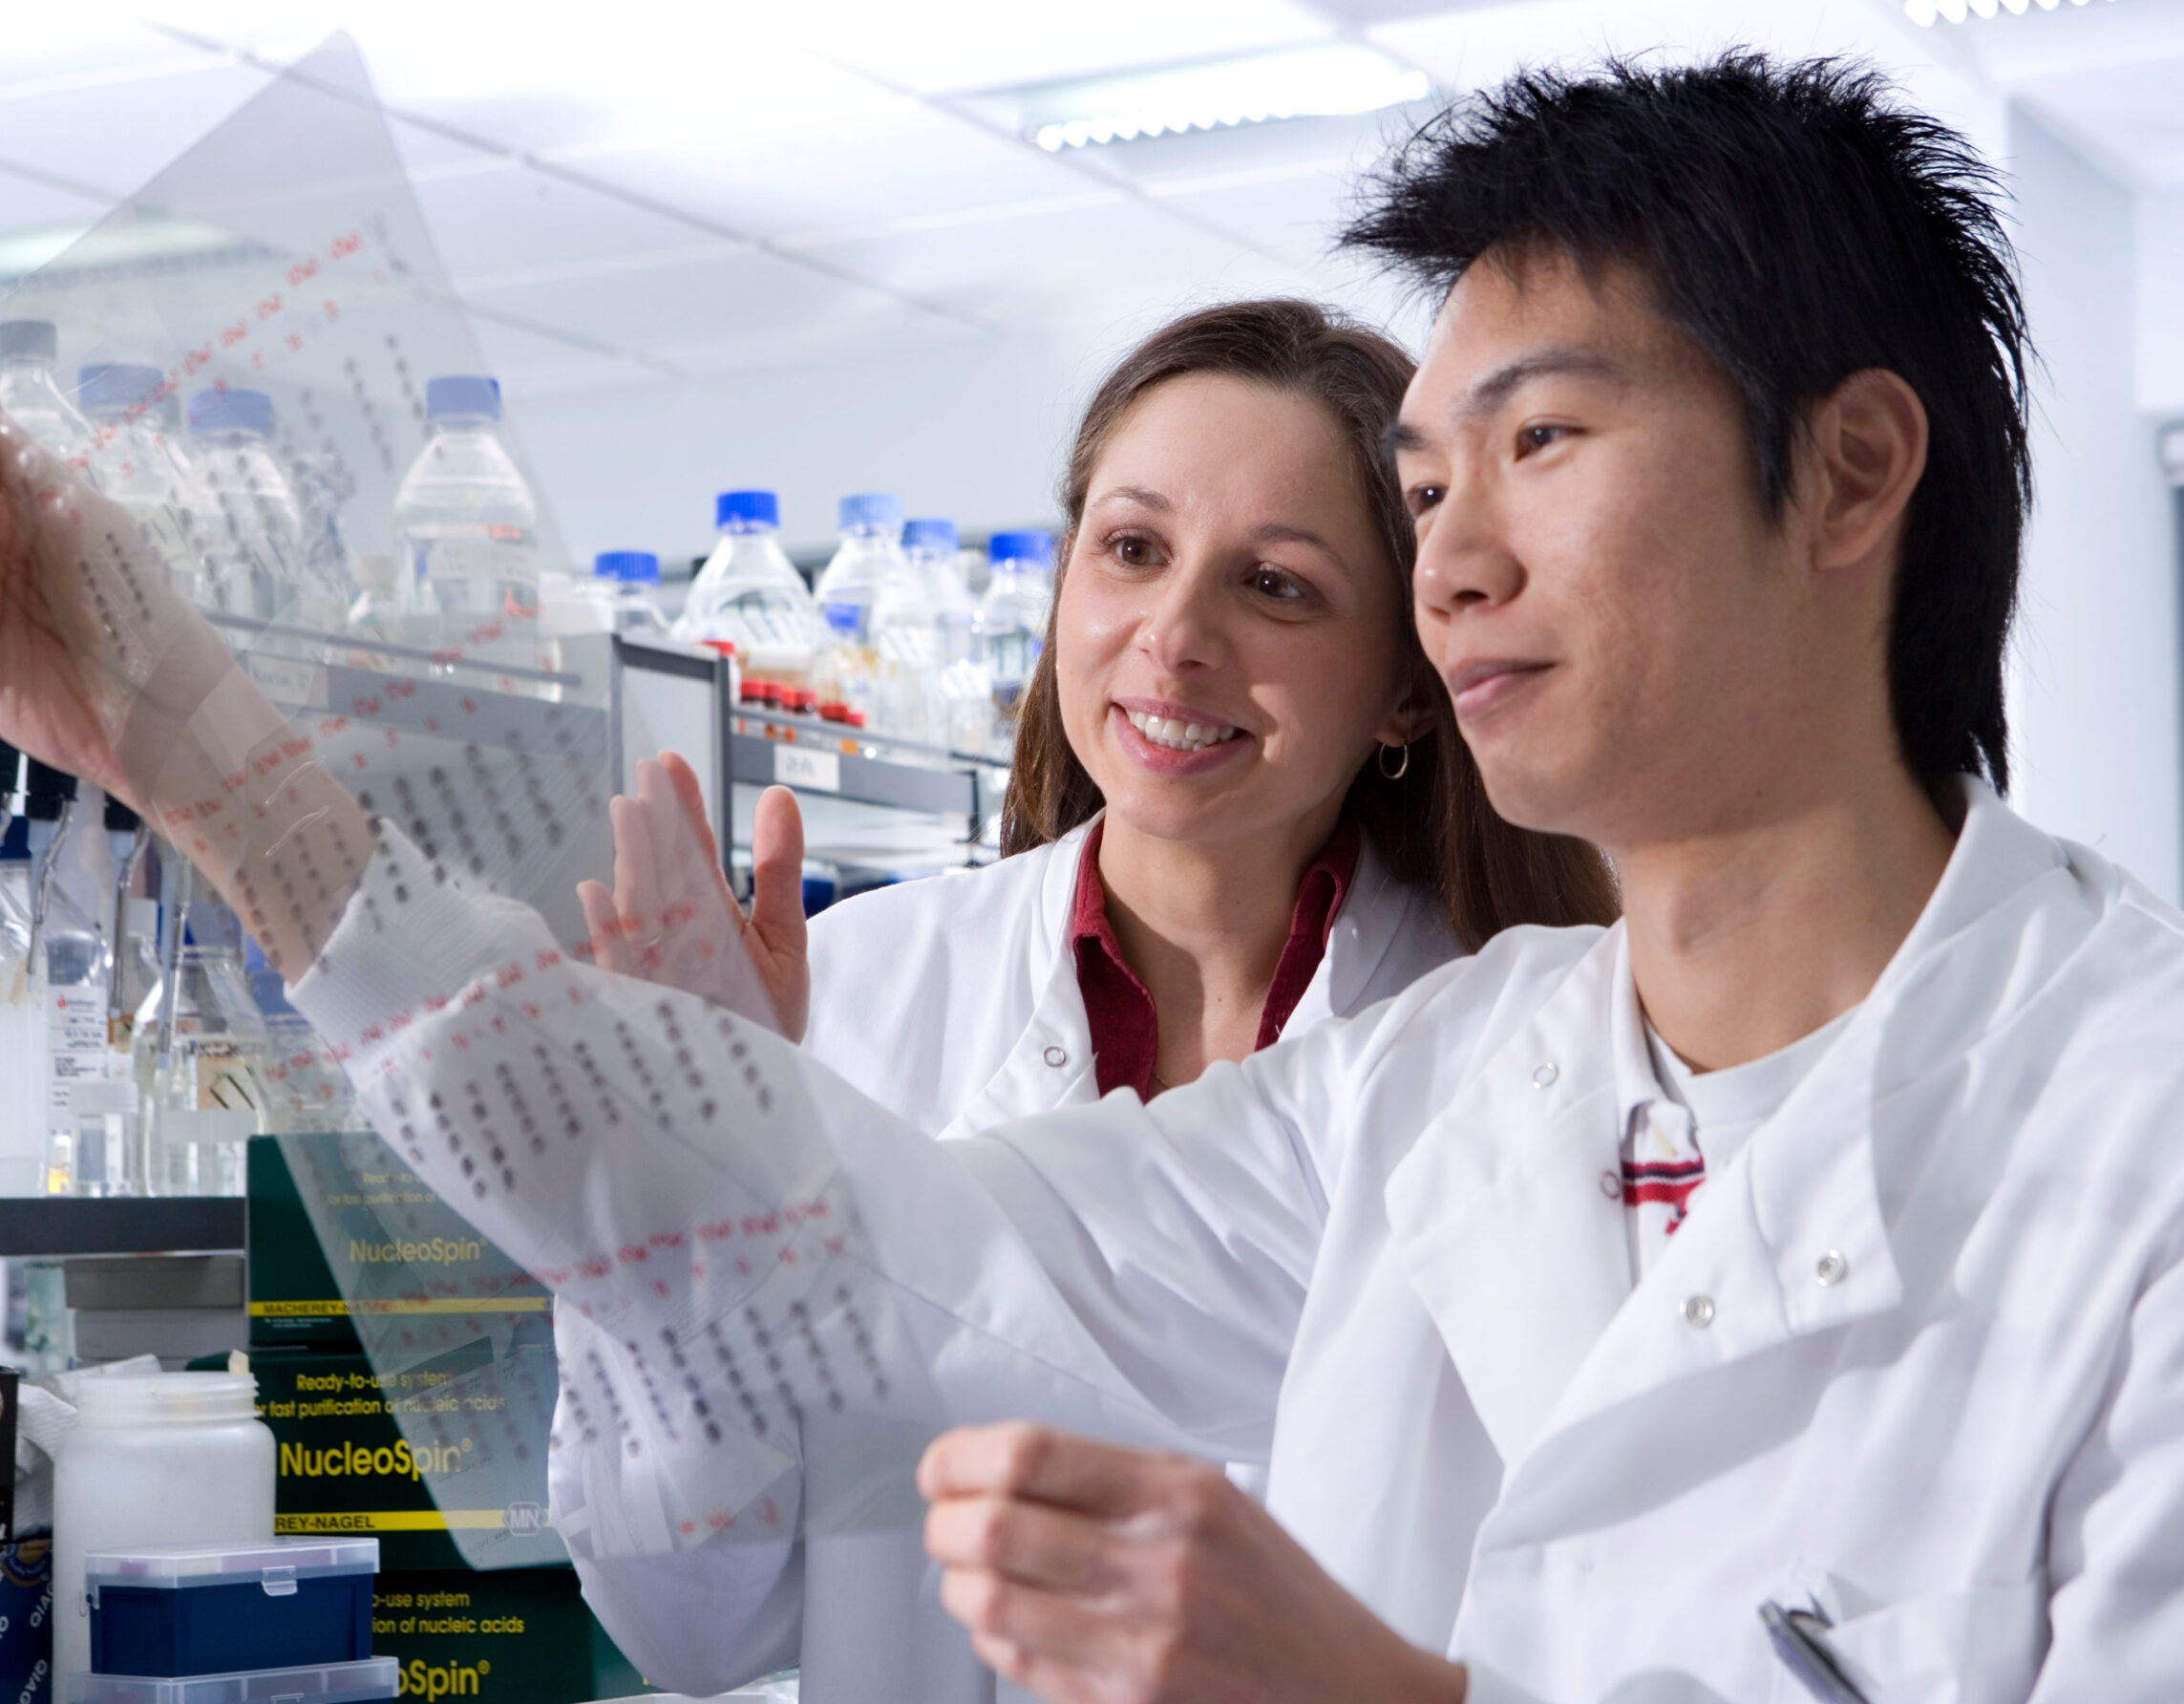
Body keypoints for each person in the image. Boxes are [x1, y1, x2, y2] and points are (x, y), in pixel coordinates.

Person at [0, 51, 2184, 1704]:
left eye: (1539, 444)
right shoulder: (1440, 1091)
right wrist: (176, 736)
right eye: (1428, 490)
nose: (1453, 565)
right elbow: (832, 1232)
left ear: (1852, 475)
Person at [575, 298, 1614, 1700]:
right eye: (1132, 550)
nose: (1174, 636)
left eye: (1278, 586)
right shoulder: (855, 997)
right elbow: (696, 1631)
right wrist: (674, 1182)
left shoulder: (1512, 1060)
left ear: (1408, 695)